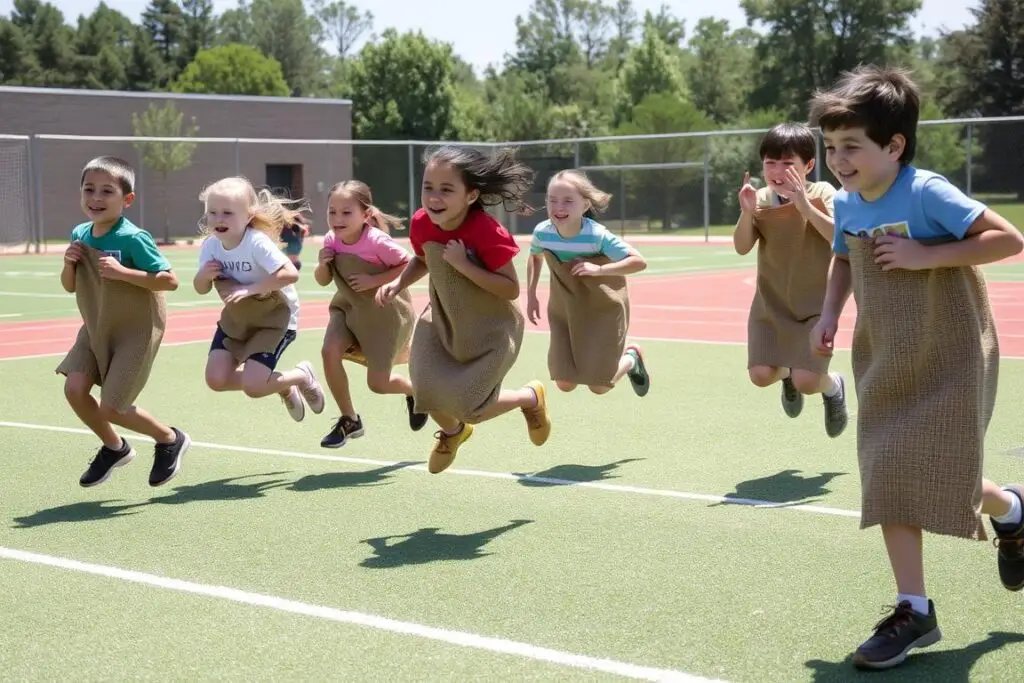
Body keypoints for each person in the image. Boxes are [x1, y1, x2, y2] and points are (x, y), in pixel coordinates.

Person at [808, 64, 1024, 671]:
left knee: (936, 469)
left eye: (851, 146)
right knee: (889, 471)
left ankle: (1009, 511)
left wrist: (927, 253)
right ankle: (916, 607)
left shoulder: (928, 191)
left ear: (894, 145)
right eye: (831, 148)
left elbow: (1007, 240)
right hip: (886, 354)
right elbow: (845, 261)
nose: (838, 160)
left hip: (950, 350)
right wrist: (829, 313)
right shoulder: (847, 204)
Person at [376, 146, 551, 474]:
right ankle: (454, 432)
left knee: (470, 406)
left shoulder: (487, 232)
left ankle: (530, 398)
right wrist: (398, 284)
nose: (434, 197)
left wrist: (463, 264)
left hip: (491, 328)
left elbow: (510, 288)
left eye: (446, 189)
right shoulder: (421, 223)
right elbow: (422, 259)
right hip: (441, 319)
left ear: (471, 196)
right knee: (424, 390)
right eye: (428, 187)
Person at [57, 155, 190, 488]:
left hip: (136, 331)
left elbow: (169, 280)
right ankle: (115, 447)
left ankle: (169, 438)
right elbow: (69, 285)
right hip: (96, 325)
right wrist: (69, 264)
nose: (96, 199)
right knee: (74, 389)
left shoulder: (133, 238)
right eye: (89, 190)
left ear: (127, 199)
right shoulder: (79, 233)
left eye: (106, 191)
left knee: (113, 408)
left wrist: (124, 273)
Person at [733, 123, 848, 437]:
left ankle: (834, 387)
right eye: (770, 162)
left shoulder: (823, 192)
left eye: (788, 163)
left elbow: (839, 238)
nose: (778, 170)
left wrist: (803, 205)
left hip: (814, 306)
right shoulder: (758, 197)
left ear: (808, 165)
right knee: (760, 375)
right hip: (771, 304)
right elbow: (742, 246)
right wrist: (746, 213)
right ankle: (785, 373)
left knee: (808, 382)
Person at [193, 176, 325, 422]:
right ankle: (282, 384)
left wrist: (251, 289)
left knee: (254, 387)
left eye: (227, 213)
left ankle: (301, 376)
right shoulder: (211, 245)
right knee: (216, 380)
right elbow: (200, 288)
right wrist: (203, 276)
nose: (218, 219)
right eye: (212, 212)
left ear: (248, 215)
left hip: (274, 318)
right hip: (239, 318)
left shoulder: (256, 242)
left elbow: (289, 274)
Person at [313, 180, 427, 448]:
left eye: (346, 212)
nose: (337, 219)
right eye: (332, 212)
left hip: (383, 315)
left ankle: (415, 392)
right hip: (348, 308)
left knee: (378, 384)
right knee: (329, 351)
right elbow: (322, 280)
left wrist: (372, 280)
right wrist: (322, 264)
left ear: (365, 215)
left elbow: (410, 264)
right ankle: (349, 419)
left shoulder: (376, 241)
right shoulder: (331, 240)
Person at [525, 169, 650, 396]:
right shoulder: (543, 233)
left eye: (568, 201)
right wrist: (531, 294)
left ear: (585, 205)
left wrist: (599, 269)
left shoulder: (597, 236)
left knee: (599, 386)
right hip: (564, 307)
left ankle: (631, 358)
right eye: (552, 200)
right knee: (564, 382)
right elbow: (535, 256)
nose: (558, 207)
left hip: (601, 307)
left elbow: (638, 262)